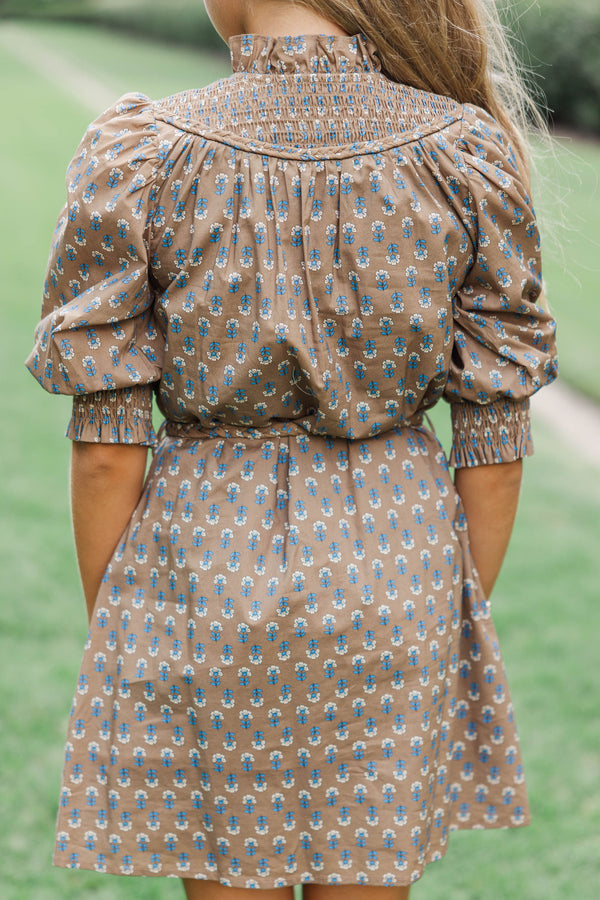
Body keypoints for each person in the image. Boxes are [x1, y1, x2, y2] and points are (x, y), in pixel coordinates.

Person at [26, 0, 558, 897]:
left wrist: (128, 627)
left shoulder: (143, 153)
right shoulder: (466, 151)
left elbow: (109, 449)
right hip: (400, 571)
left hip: (201, 573)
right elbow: (494, 442)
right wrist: (435, 620)